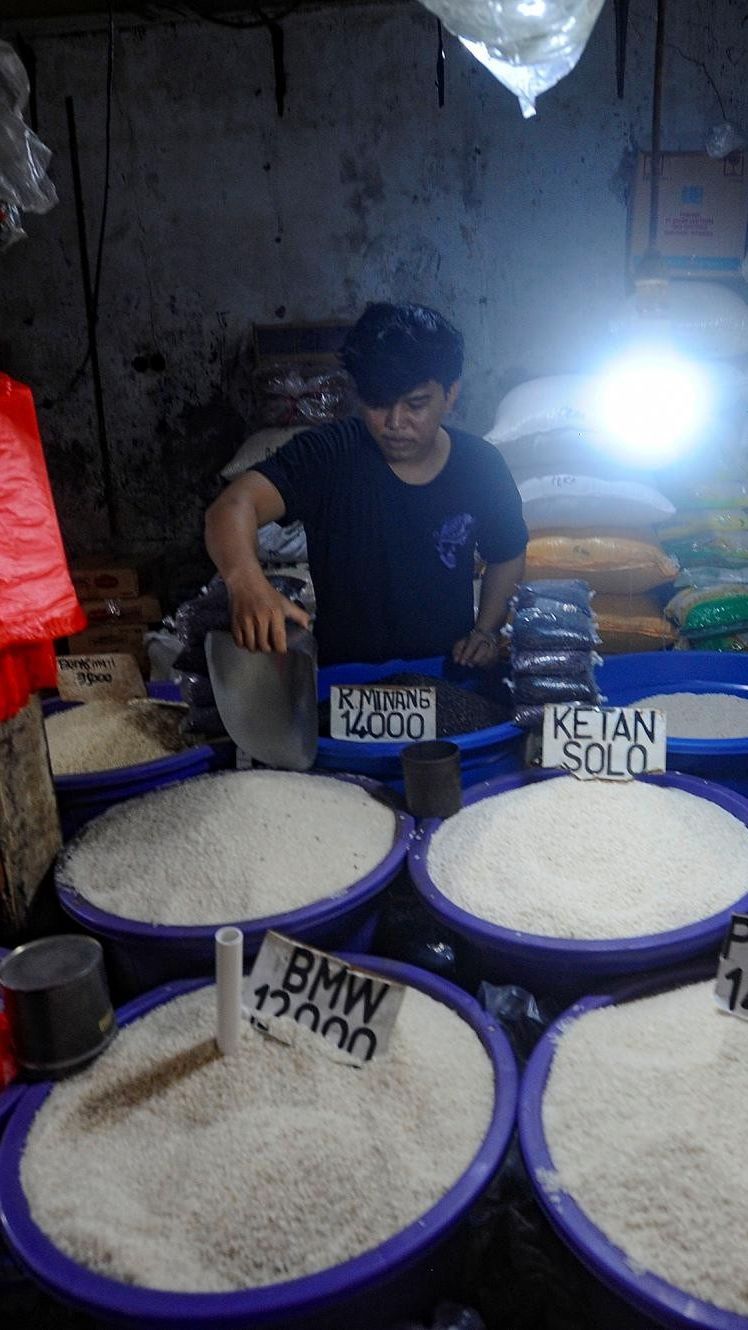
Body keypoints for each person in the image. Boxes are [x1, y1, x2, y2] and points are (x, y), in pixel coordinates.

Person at [205, 303, 527, 668]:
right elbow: (232, 507)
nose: (395, 422)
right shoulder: (327, 455)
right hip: (343, 685)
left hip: (445, 676)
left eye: (415, 404)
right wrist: (245, 582)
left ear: (451, 393)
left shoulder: (480, 466)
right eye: (377, 403)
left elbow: (507, 551)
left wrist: (486, 631)